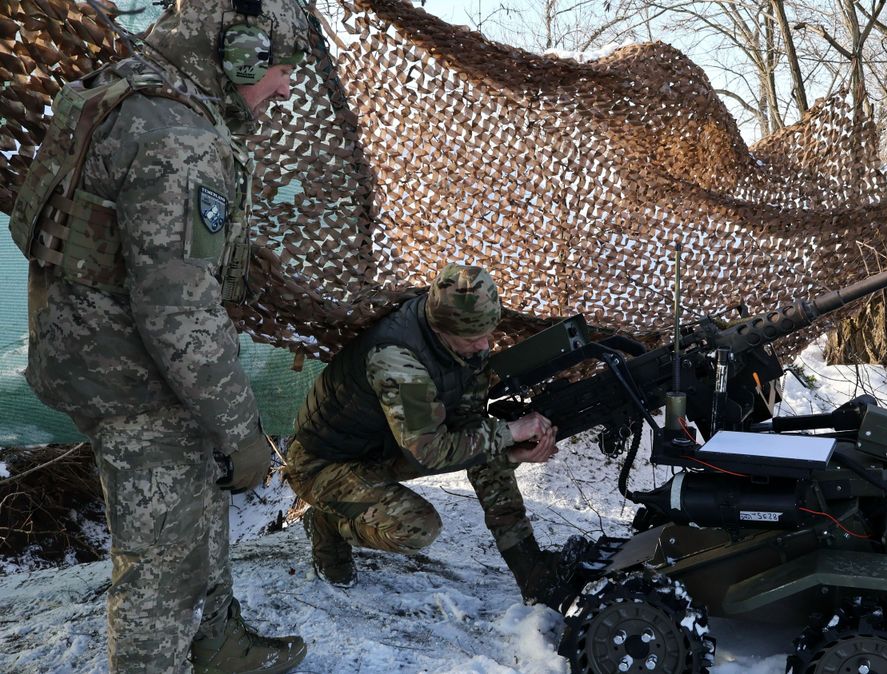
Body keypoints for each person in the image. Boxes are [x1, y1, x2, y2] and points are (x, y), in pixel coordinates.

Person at [10, 0, 314, 671]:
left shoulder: (133, 87)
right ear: (240, 53)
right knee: (160, 570)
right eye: (282, 69)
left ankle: (216, 640)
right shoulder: (179, 135)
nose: (286, 87)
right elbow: (178, 310)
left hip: (100, 354)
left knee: (197, 505)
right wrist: (242, 430)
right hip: (137, 380)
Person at [285, 263, 565, 601]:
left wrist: (509, 452)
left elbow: (470, 429)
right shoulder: (397, 360)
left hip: (385, 449)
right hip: (321, 464)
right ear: (439, 329)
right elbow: (429, 453)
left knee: (489, 444)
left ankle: (531, 569)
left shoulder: (464, 340)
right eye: (472, 338)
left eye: (488, 332)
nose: (484, 346)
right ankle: (328, 523)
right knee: (415, 528)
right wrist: (508, 432)